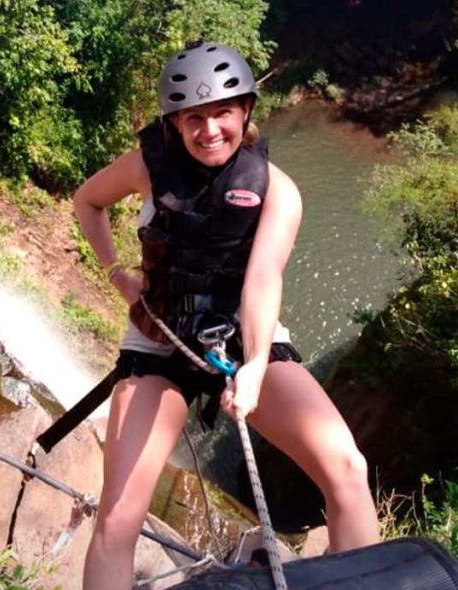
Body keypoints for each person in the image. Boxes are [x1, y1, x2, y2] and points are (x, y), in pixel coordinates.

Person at [73, 42, 380, 590]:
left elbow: (262, 277)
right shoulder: (149, 166)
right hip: (159, 339)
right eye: (194, 117)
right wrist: (118, 274)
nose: (210, 130)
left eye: (222, 113)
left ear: (246, 111)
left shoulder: (277, 191)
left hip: (243, 338)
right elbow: (87, 200)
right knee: (118, 517)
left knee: (348, 470)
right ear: (175, 122)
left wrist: (256, 364)